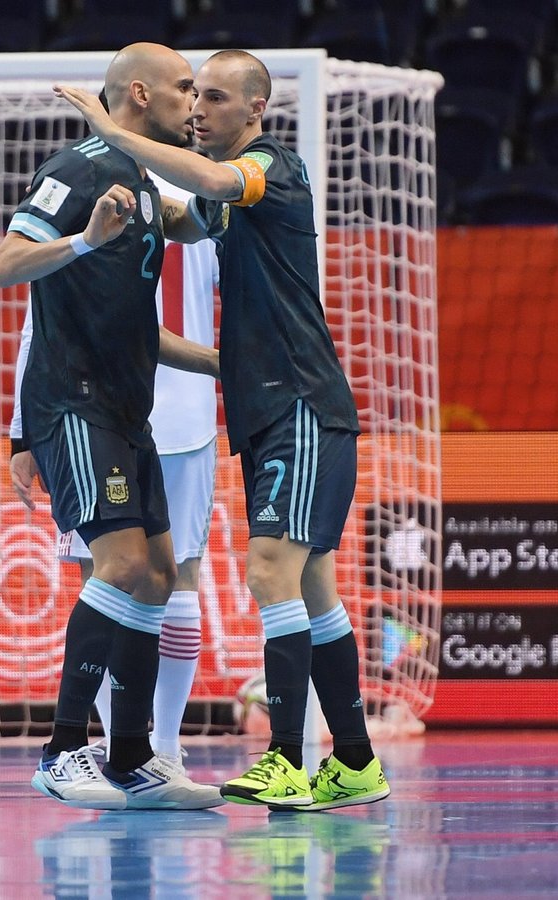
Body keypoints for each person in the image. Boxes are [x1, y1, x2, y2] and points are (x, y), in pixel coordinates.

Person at [57, 49, 392, 811]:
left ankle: (286, 756)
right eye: (192, 96)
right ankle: (357, 762)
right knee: (310, 585)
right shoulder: (230, 200)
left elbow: (208, 182)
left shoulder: (273, 169)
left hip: (300, 403)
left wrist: (113, 130)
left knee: (270, 570)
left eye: (214, 97)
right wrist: (117, 208)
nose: (199, 109)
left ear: (254, 111)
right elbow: (184, 216)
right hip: (270, 410)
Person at [0, 43, 221, 811]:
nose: (195, 102)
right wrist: (86, 239)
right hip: (75, 403)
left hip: (129, 407)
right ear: (139, 93)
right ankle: (62, 751)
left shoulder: (147, 187)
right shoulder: (82, 167)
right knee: (119, 566)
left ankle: (131, 759)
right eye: (187, 89)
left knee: (158, 572)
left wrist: (223, 365)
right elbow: (8, 264)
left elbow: (145, 316)